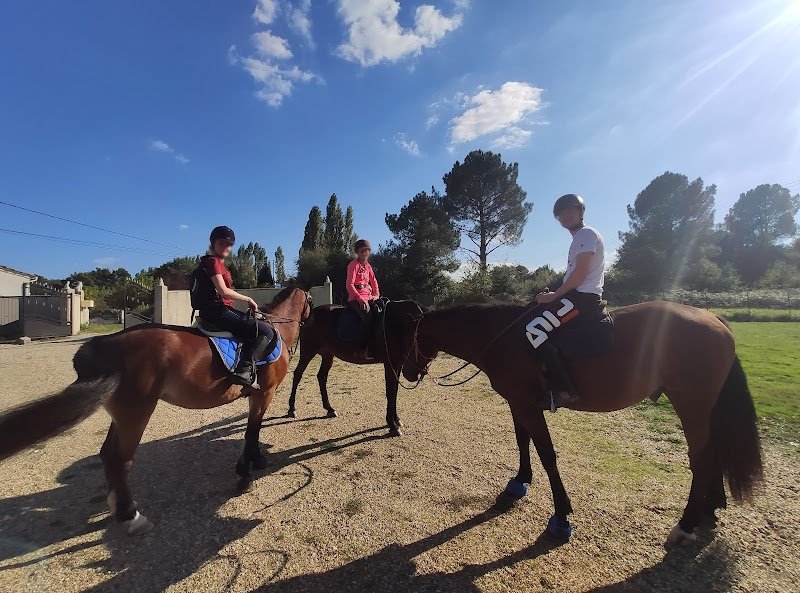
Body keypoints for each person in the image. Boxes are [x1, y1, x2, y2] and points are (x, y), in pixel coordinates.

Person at [529, 194, 607, 409]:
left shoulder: (585, 234)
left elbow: (580, 274)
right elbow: (576, 275)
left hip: (583, 300)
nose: (566, 215)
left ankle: (564, 391)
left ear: (581, 212)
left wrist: (555, 296)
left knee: (534, 330)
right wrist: (555, 294)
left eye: (570, 210)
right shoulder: (579, 239)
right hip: (576, 296)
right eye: (561, 213)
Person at [197, 226, 275, 387]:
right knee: (266, 331)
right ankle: (244, 370)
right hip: (217, 311)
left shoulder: (212, 262)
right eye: (223, 243)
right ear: (213, 243)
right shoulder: (213, 262)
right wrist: (248, 299)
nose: (227, 247)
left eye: (230, 244)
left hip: (216, 310)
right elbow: (223, 291)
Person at [346, 238, 380, 352]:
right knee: (367, 315)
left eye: (367, 251)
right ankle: (361, 348)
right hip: (356, 297)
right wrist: (359, 299)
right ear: (357, 252)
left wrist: (376, 294)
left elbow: (373, 281)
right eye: (362, 251)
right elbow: (349, 284)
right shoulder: (353, 265)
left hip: (369, 296)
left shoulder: (368, 266)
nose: (365, 253)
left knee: (381, 312)